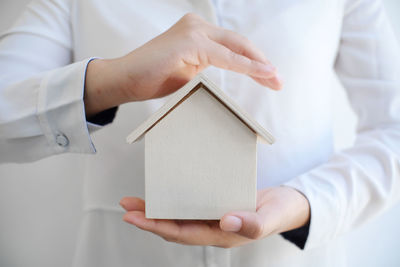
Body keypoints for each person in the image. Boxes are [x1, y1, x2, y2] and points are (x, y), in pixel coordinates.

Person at [0, 0, 399, 266]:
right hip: (125, 252)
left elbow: (393, 129)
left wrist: (309, 202)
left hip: (289, 256)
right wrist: (113, 79)